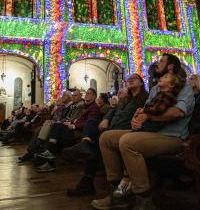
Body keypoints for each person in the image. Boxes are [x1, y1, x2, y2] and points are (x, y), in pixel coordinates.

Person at [91, 53, 195, 210]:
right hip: (149, 133)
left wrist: (148, 118)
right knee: (106, 137)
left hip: (172, 137)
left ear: (171, 67)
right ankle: (118, 192)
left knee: (128, 142)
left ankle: (143, 199)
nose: (157, 63)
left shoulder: (184, 87)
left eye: (161, 61)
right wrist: (136, 118)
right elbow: (143, 111)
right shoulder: (154, 89)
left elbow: (177, 112)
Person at [66, 75, 148, 197]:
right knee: (92, 124)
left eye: (134, 78)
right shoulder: (125, 99)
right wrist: (106, 119)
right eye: (128, 79)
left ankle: (87, 184)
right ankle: (85, 144)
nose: (130, 79)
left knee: (95, 145)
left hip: (126, 130)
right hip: (112, 128)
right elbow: (112, 111)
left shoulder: (144, 98)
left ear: (141, 83)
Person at [36, 88, 101, 172]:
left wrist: (73, 125)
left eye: (89, 93)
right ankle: (49, 155)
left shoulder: (94, 107)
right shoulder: (86, 106)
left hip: (79, 132)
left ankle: (50, 159)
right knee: (56, 127)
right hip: (73, 128)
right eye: (86, 93)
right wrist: (71, 123)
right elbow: (77, 119)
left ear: (94, 96)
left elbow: (90, 123)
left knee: (57, 132)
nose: (86, 95)